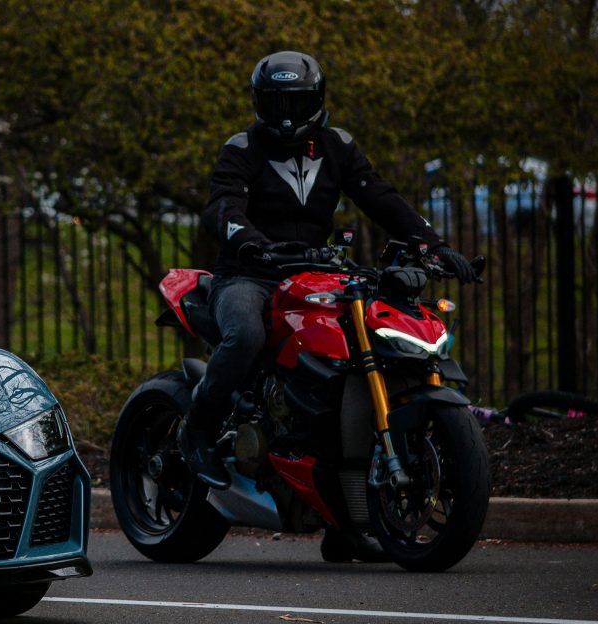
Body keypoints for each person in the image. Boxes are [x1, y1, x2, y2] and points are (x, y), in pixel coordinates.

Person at [180, 51, 476, 491]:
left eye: (295, 104)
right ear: (259, 103)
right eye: (276, 103)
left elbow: (381, 198)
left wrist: (433, 245)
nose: (285, 116)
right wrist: (254, 246)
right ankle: (197, 431)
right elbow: (222, 208)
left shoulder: (338, 146)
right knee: (246, 334)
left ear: (316, 100)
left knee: (361, 339)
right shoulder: (242, 149)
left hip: (319, 273)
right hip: (248, 275)